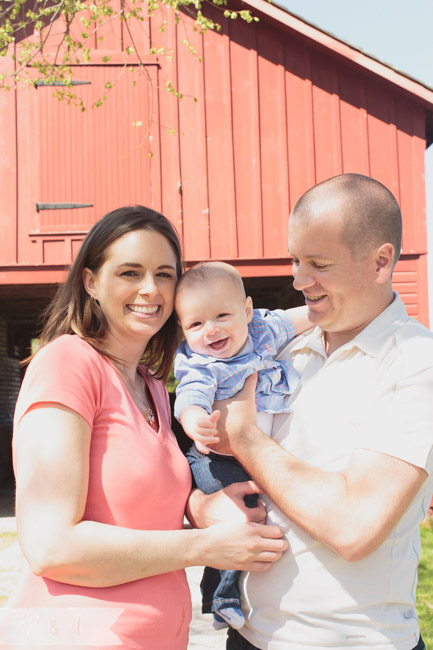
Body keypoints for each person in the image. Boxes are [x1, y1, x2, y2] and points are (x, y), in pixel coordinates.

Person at [4, 206, 288, 650]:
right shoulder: (67, 364)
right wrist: (204, 546)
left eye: (164, 274)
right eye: (130, 273)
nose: (150, 289)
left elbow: (134, 500)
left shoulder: (152, 384)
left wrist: (199, 507)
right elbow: (50, 546)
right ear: (91, 281)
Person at [188, 174, 433, 650]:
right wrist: (200, 507)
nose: (299, 280)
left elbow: (354, 526)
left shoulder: (415, 360)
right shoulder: (282, 349)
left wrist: (245, 435)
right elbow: (208, 463)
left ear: (381, 261)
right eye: (295, 260)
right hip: (248, 637)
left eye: (318, 264)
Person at [174, 261, 312, 631]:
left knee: (253, 516)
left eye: (222, 315)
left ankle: (223, 595)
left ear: (247, 311)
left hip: (253, 451)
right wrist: (194, 422)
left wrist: (323, 315)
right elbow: (190, 396)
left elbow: (302, 317)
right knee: (238, 520)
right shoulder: (202, 364)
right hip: (215, 458)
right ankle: (222, 598)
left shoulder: (263, 331)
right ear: (183, 329)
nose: (211, 330)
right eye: (196, 324)